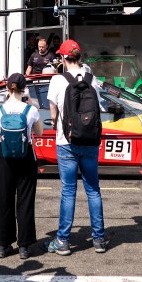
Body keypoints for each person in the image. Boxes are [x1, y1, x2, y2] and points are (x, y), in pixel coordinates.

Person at [46, 39, 107, 256]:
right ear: (79, 57)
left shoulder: (57, 80)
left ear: (63, 58)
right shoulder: (92, 79)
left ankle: (63, 240)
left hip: (66, 142)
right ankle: (99, 239)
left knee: (68, 191)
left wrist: (57, 124)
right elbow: (100, 108)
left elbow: (53, 115)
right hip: (90, 141)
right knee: (93, 190)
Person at [0, 73, 42, 260]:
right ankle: (25, 245)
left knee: (3, 198)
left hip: (4, 155)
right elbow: (39, 131)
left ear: (7, 88)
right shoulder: (30, 110)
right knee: (25, 199)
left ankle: (3, 244)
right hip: (25, 155)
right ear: (24, 89)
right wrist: (31, 102)